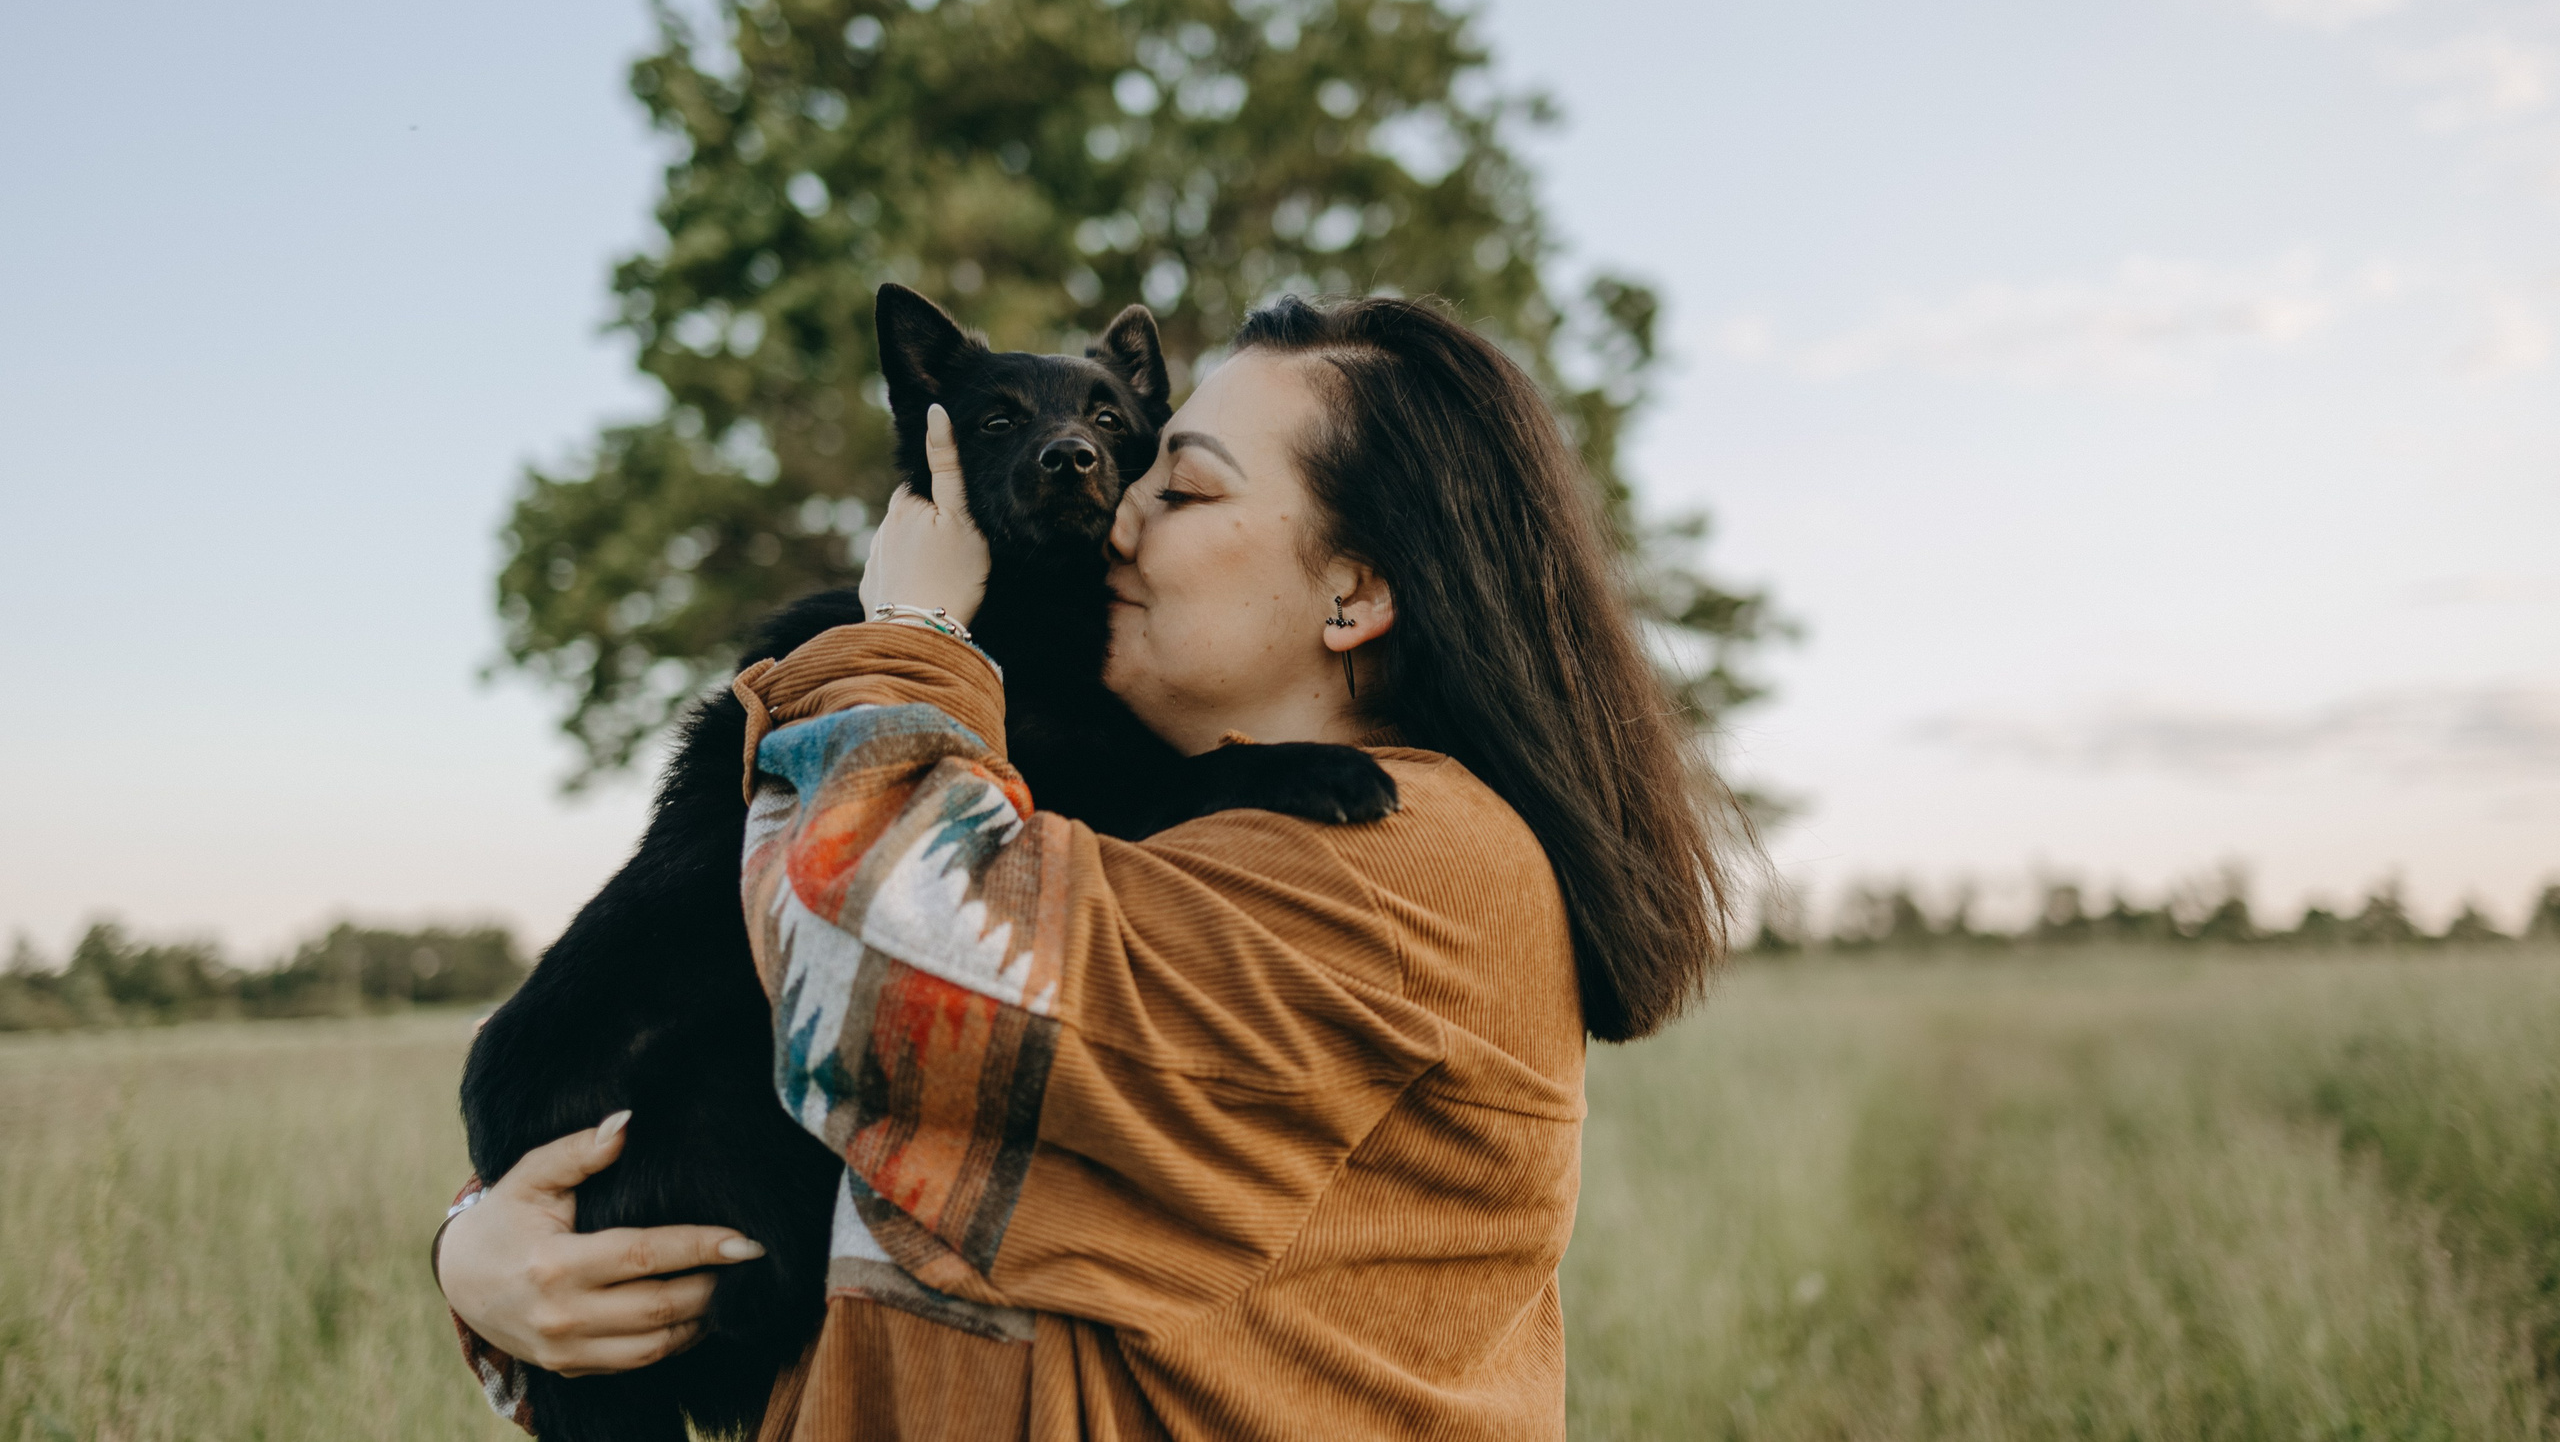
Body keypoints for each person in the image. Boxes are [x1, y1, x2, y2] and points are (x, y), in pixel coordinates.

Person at [437, 294, 1741, 1439]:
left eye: (1175, 487)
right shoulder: (1167, 842)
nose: (1111, 522)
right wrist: (496, 1257)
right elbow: (794, 1127)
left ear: (1354, 594)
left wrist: (908, 630)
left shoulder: (1406, 872)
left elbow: (873, 978)